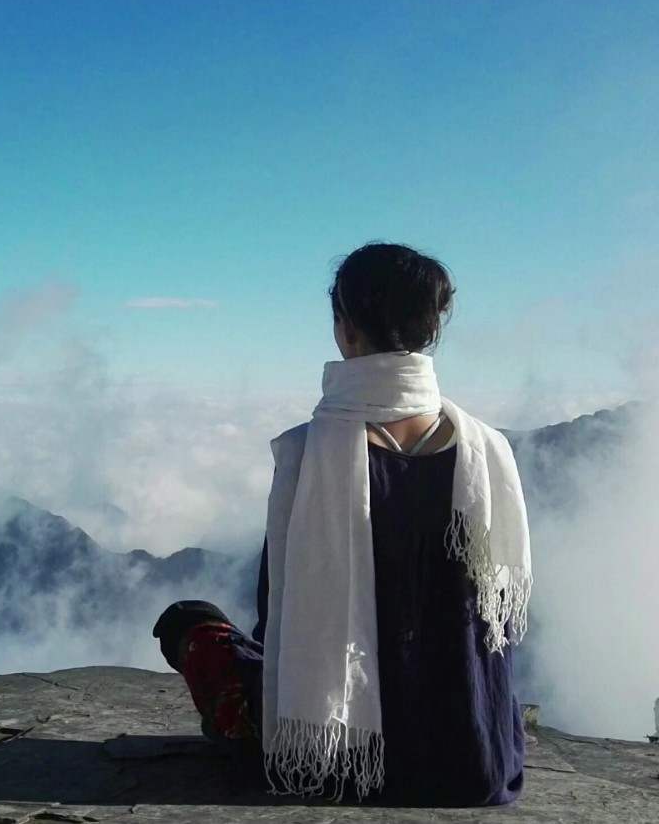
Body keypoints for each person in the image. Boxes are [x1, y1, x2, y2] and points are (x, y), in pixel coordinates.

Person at [153, 242, 531, 805]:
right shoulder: (489, 453)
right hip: (472, 757)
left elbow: (281, 617)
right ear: (430, 329)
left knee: (190, 626)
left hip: (337, 759)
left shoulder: (309, 453)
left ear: (346, 328)